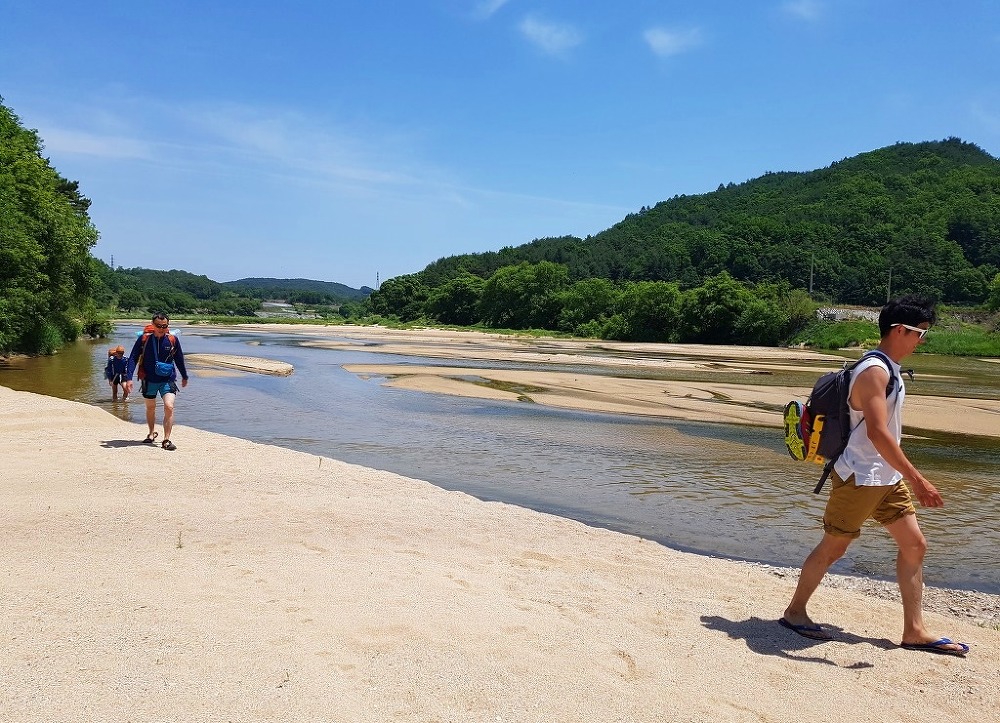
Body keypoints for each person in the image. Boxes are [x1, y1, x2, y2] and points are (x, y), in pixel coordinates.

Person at [780, 295, 970, 657]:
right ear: (899, 330)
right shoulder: (874, 371)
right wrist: (918, 479)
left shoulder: (889, 368)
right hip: (860, 475)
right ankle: (794, 612)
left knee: (914, 545)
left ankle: (914, 630)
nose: (922, 340)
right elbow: (879, 434)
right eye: (919, 332)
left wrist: (902, 476)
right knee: (835, 546)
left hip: (885, 477)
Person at [123, 313, 189, 451]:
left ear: (168, 326)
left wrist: (184, 375)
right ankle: (151, 432)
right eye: (158, 326)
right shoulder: (144, 339)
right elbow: (133, 358)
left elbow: (179, 359)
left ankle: (166, 440)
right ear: (153, 325)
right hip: (149, 379)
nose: (161, 329)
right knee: (151, 407)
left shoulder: (172, 340)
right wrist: (128, 378)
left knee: (169, 406)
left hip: (167, 379)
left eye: (164, 326)